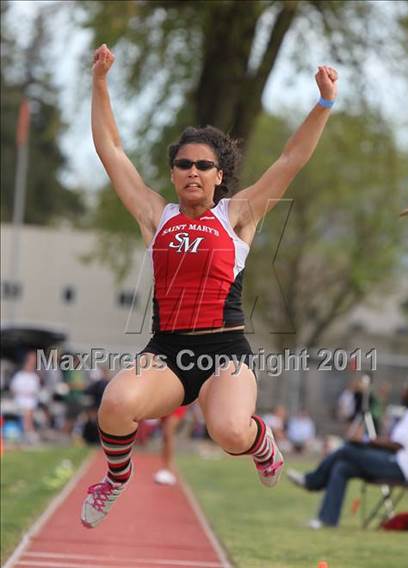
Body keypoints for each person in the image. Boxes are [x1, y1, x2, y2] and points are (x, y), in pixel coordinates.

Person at [81, 43, 338, 528]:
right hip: (167, 351)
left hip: (226, 351)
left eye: (203, 166)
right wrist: (99, 82)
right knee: (114, 405)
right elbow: (110, 150)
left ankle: (261, 441)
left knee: (228, 432)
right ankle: (114, 479)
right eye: (183, 165)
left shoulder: (237, 215)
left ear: (220, 176)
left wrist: (322, 104)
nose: (192, 172)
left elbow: (290, 159)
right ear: (174, 173)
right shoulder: (157, 215)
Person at [287, 377, 408, 528]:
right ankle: (327, 520)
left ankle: (311, 481)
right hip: (399, 463)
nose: (404, 392)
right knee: (342, 468)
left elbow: (396, 445)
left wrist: (367, 441)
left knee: (348, 450)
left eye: (407, 389)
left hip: (403, 468)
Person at [9, 351, 40, 442]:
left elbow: (36, 392)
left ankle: (29, 432)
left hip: (31, 404)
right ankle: (29, 432)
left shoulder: (35, 377)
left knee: (29, 412)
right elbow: (13, 390)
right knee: (27, 412)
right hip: (20, 403)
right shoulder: (19, 376)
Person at [154, 406, 189, 486]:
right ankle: (165, 468)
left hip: (178, 403)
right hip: (164, 403)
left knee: (168, 432)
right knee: (165, 436)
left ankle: (168, 469)